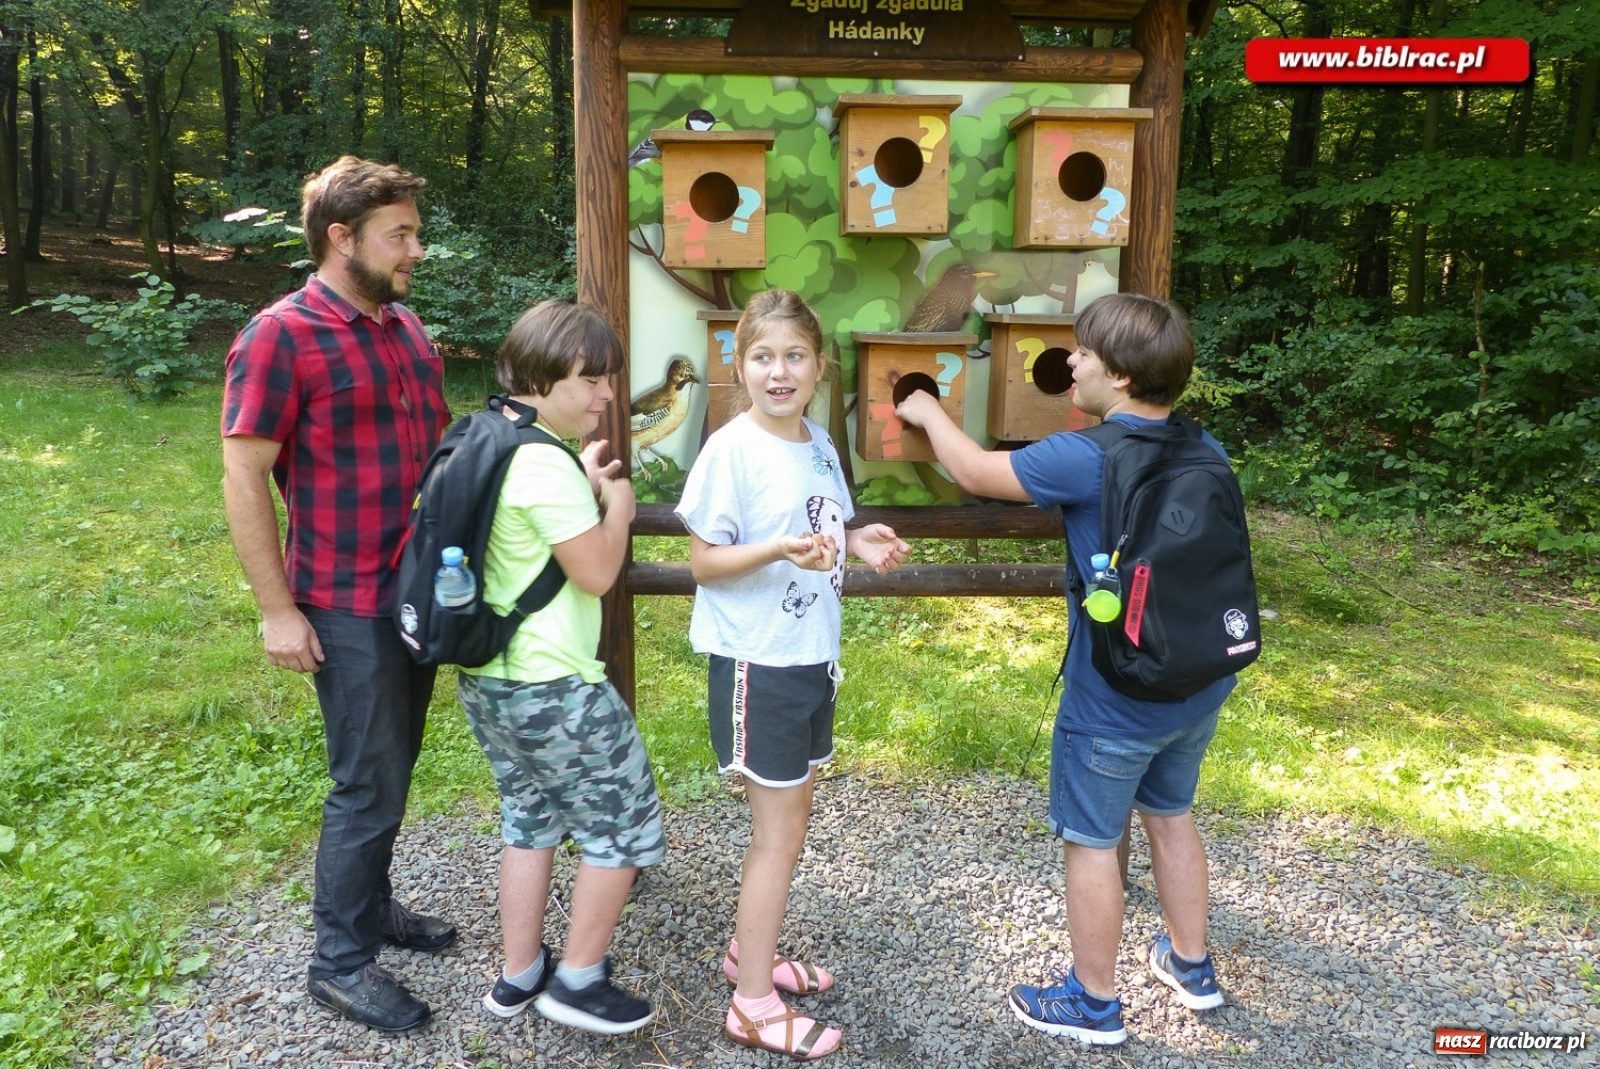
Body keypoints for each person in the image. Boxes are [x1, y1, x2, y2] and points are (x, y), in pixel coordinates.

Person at [895, 293, 1232, 1047]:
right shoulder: (1203, 447)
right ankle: (1191, 965)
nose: (1068, 362)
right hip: (1196, 681)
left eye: (1081, 353)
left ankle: (1093, 1001)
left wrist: (924, 408)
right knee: (1171, 815)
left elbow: (979, 471)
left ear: (1116, 375)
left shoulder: (1084, 454)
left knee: (1090, 840)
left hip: (1115, 695)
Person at [221, 156, 456, 1033]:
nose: (416, 250)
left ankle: (371, 907)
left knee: (392, 767)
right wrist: (278, 609)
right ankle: (340, 961)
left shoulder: (404, 327)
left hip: (415, 593)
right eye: (400, 235)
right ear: (341, 238)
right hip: (343, 596)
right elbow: (243, 476)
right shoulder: (280, 336)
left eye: (413, 232)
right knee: (366, 781)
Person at [675, 290, 910, 1061]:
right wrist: (779, 547)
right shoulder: (730, 449)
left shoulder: (818, 443)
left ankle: (752, 950)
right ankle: (750, 1003)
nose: (780, 372)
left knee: (793, 824)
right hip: (759, 659)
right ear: (738, 366)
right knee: (776, 837)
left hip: (813, 655)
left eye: (795, 357)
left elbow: (826, 525)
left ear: (818, 368)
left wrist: (859, 538)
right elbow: (705, 562)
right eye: (763, 357)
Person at [457, 299, 664, 1035]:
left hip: (491, 682)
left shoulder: (495, 436)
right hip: (555, 688)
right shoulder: (542, 463)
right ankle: (577, 980)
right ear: (543, 377)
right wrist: (617, 505)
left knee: (530, 817)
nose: (606, 394)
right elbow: (598, 572)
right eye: (592, 379)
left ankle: (519, 974)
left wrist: (578, 477)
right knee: (624, 825)